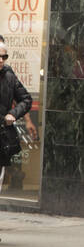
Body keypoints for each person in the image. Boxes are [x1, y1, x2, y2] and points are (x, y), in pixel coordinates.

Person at [0, 43, 32, 214]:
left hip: (2, 136)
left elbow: (26, 99)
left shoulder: (10, 77)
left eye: (4, 57)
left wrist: (13, 114)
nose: (1, 60)